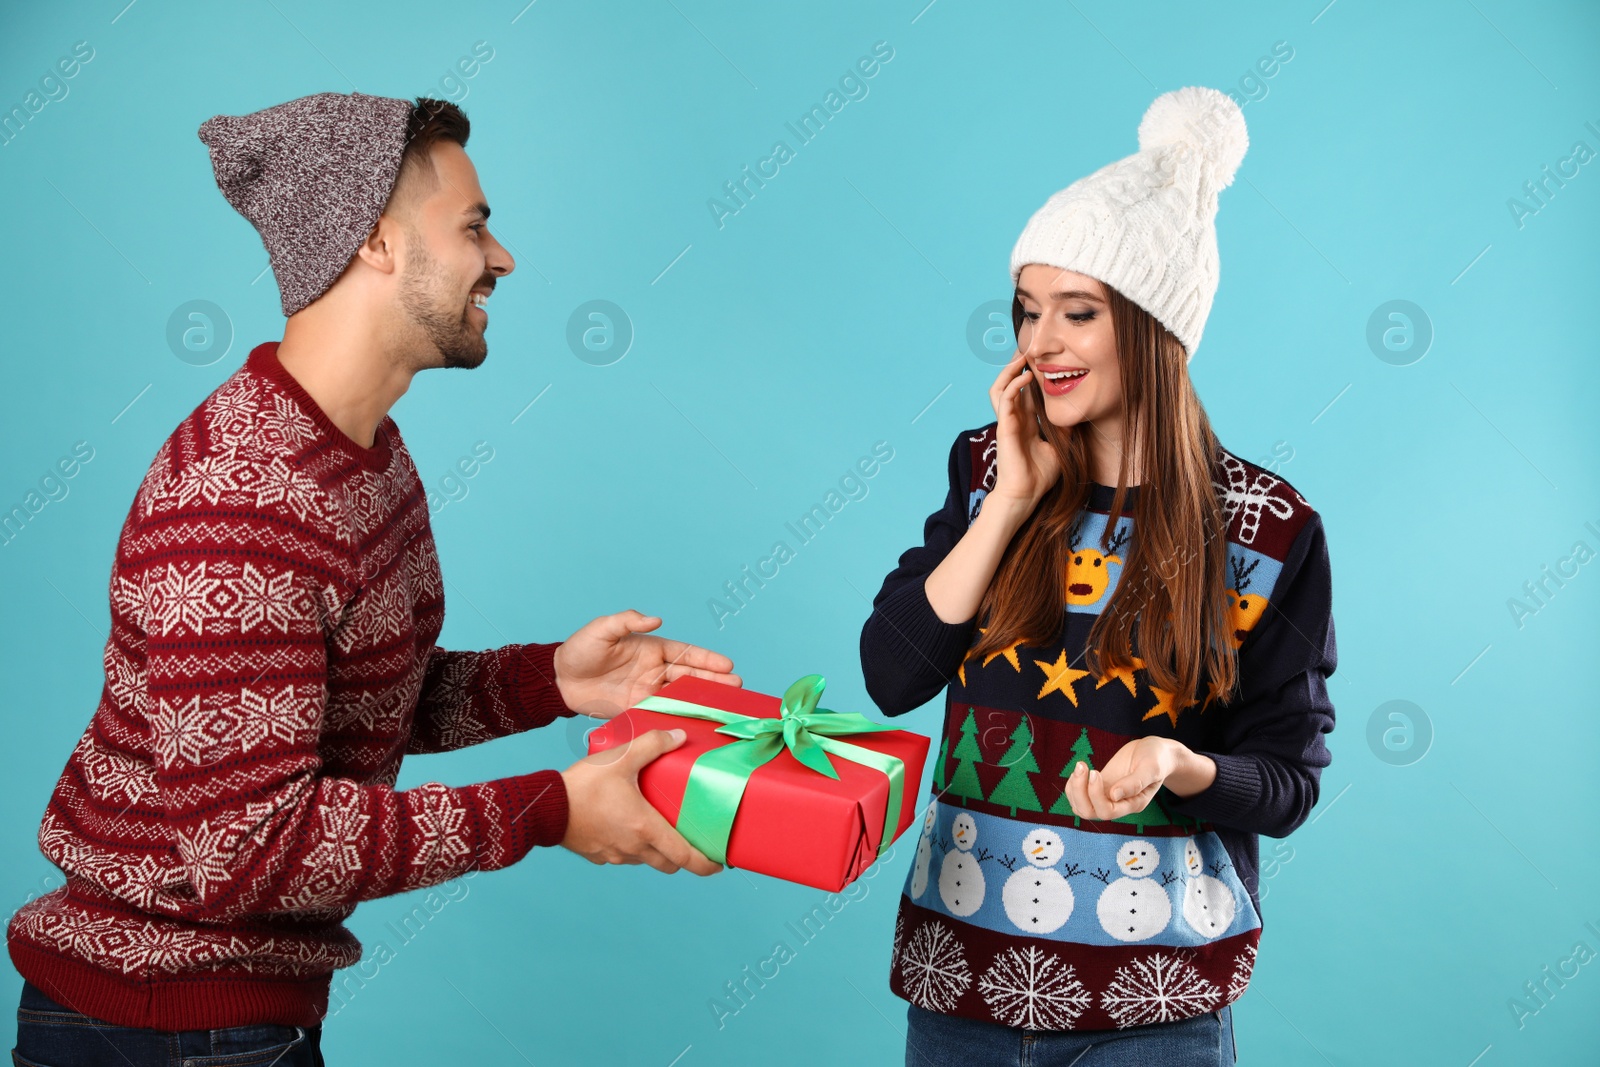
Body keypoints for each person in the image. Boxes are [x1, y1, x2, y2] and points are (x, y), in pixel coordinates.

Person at [7, 92, 732, 1067]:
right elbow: (251, 848)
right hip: (161, 1023)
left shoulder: (361, 450)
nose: (503, 257)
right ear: (376, 241)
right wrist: (548, 808)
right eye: (474, 225)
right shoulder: (239, 502)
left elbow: (343, 704)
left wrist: (556, 678)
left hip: (227, 1016)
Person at [859, 86, 1337, 1065]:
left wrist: (1178, 764)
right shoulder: (987, 466)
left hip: (1156, 1009)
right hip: (964, 989)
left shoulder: (1269, 525)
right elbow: (891, 672)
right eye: (1028, 311)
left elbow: (1286, 782)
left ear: (1155, 327)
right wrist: (1008, 501)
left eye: (1077, 312)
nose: (1040, 341)